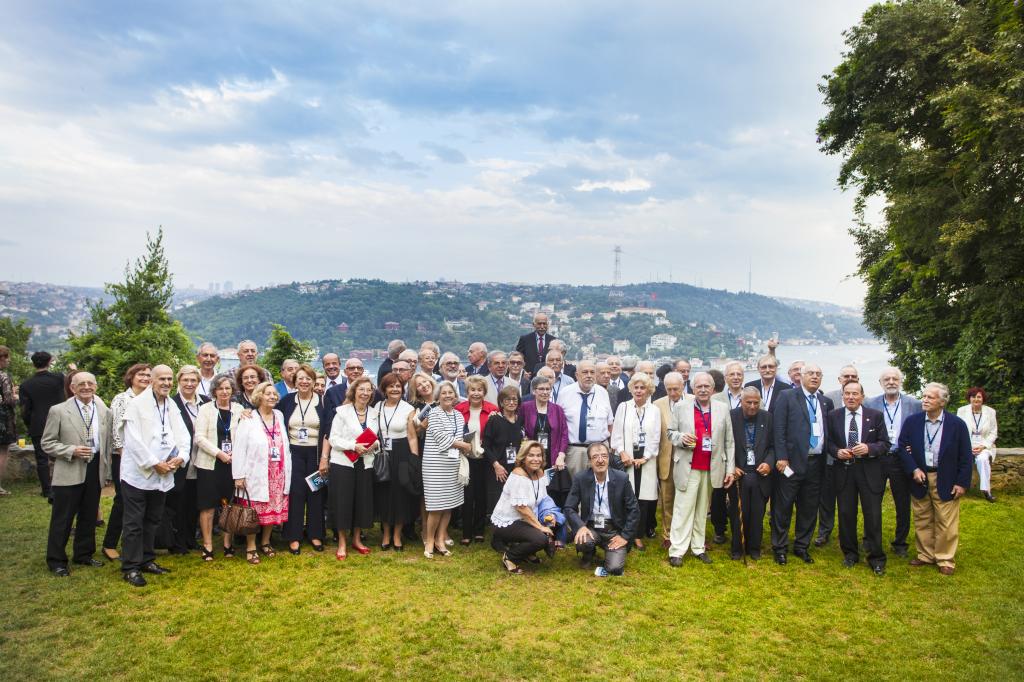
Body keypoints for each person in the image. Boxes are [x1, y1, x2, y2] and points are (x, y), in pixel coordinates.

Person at [119, 365, 190, 587]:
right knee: (134, 522)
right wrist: (153, 463)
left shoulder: (170, 405)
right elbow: (132, 440)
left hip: (164, 473)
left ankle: (147, 559)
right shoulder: (136, 405)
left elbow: (183, 434)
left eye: (170, 379)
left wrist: (182, 457)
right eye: (162, 379)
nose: (167, 383)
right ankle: (130, 566)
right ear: (152, 381)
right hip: (138, 475)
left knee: (153, 520)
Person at [42, 371, 112, 576]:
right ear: (72, 387)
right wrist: (70, 451)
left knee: (89, 515)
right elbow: (47, 443)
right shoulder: (59, 410)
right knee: (62, 518)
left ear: (96, 386)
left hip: (95, 467)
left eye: (90, 383)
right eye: (81, 384)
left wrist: (106, 469)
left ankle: (83, 554)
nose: (86, 387)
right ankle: (56, 560)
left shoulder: (102, 409)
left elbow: (106, 442)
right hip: (70, 468)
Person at [898, 382, 973, 575]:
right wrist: (913, 468)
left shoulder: (957, 425)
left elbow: (966, 456)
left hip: (946, 478)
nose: (924, 400)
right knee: (922, 517)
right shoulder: (912, 421)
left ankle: (945, 559)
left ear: (942, 402)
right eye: (924, 396)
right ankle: (925, 555)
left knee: (945, 520)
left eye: (930, 397)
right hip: (920, 477)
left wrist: (961, 482)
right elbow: (902, 446)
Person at [666, 372, 735, 566]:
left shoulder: (722, 408)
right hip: (689, 465)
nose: (703, 390)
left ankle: (698, 547)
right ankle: (677, 550)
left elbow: (729, 441)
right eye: (699, 386)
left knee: (702, 509)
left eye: (707, 386)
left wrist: (730, 469)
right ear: (693, 389)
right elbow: (670, 433)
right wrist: (681, 438)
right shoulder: (681, 407)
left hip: (712, 467)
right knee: (683, 509)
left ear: (713, 389)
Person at [771, 362, 833, 565]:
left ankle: (801, 546)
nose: (815, 377)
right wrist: (781, 457)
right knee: (784, 505)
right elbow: (778, 429)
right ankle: (780, 547)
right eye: (811, 373)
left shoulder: (824, 401)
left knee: (809, 506)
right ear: (801, 376)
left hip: (816, 463)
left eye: (818, 374)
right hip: (790, 463)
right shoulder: (788, 396)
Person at [825, 379, 890, 575]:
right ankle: (850, 554)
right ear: (842, 396)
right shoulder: (833, 416)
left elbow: (885, 444)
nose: (851, 397)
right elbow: (827, 443)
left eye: (855, 394)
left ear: (862, 396)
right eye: (847, 394)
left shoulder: (875, 416)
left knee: (873, 515)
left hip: (868, 472)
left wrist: (869, 448)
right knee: (845, 514)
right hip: (844, 471)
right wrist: (837, 452)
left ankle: (876, 557)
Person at [864, 367, 922, 556]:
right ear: (880, 383)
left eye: (894, 379)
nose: (891, 382)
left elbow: (920, 429)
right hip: (876, 458)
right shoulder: (870, 403)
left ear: (901, 382)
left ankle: (900, 542)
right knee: (872, 500)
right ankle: (870, 538)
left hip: (900, 458)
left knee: (902, 502)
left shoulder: (914, 404)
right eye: (886, 379)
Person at [233, 382, 291, 565]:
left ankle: (265, 542)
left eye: (275, 394)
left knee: (273, 509)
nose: (273, 397)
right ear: (259, 396)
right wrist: (239, 475)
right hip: (256, 473)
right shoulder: (249, 418)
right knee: (254, 512)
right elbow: (240, 448)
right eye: (268, 394)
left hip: (278, 473)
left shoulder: (279, 415)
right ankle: (251, 546)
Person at [563, 442, 640, 577]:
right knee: (584, 541)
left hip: (614, 530)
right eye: (595, 457)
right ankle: (588, 553)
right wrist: (580, 526)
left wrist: (624, 536)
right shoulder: (581, 478)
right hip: (591, 528)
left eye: (604, 456)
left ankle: (611, 554)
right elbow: (569, 507)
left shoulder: (622, 478)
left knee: (615, 569)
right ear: (589, 461)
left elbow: (634, 510)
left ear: (609, 458)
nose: (600, 460)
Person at [323, 376, 379, 560]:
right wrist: (352, 446)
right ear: (354, 392)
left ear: (372, 393)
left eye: (368, 390)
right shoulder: (342, 412)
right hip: (343, 463)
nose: (365, 393)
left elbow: (377, 437)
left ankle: (356, 539)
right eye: (361, 389)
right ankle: (342, 542)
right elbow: (333, 439)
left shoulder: (373, 413)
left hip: (365, 463)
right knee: (343, 503)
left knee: (361, 502)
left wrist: (374, 445)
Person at [103, 363, 152, 562]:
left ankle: (134, 544)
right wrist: (127, 458)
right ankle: (109, 543)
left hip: (147, 459)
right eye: (141, 374)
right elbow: (117, 432)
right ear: (131, 377)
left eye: (149, 375)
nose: (146, 378)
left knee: (142, 503)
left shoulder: (151, 399)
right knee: (123, 500)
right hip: (125, 458)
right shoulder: (122, 399)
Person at [193, 373, 243, 560]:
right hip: (210, 464)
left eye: (227, 388)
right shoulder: (205, 409)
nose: (224, 392)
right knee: (208, 506)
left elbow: (245, 434)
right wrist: (219, 454)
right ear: (214, 391)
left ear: (232, 391)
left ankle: (227, 543)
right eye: (220, 388)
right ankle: (207, 545)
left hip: (233, 464)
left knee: (229, 505)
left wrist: (234, 454)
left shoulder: (238, 409)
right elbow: (199, 437)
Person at [420, 381, 471, 557]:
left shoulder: (459, 415)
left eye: (451, 392)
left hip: (453, 465)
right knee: (435, 506)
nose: (448, 396)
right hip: (435, 466)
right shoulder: (433, 414)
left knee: (449, 506)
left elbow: (459, 436)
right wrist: (464, 445)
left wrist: (467, 443)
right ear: (438, 396)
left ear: (455, 396)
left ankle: (441, 540)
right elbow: (443, 440)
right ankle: (429, 541)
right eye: (444, 393)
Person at [610, 372, 660, 551]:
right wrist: (622, 452)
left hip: (646, 459)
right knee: (626, 497)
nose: (639, 391)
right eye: (636, 387)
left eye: (643, 388)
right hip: (627, 458)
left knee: (643, 499)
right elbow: (616, 434)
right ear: (631, 389)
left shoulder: (654, 410)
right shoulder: (623, 407)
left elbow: (655, 437)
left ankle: (638, 535)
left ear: (649, 390)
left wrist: (645, 457)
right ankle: (624, 533)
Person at [278, 364, 325, 554]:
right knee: (296, 494)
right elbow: (270, 415)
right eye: (300, 379)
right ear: (294, 381)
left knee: (316, 493)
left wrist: (325, 458)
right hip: (294, 453)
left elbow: (328, 429)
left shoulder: (323, 401)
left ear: (314, 382)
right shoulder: (287, 401)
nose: (304, 382)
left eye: (308, 379)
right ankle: (294, 536)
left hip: (316, 453)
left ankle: (315, 534)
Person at [490, 440, 553, 574]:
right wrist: (540, 526)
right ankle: (510, 557)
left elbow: (543, 499)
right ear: (523, 458)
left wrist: (550, 516)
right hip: (507, 522)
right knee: (540, 538)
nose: (536, 459)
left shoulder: (540, 473)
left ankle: (527, 553)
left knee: (554, 524)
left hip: (524, 519)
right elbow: (521, 508)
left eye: (539, 455)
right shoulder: (518, 475)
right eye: (531, 455)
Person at [163, 365, 207, 554]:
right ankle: (176, 541)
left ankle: (190, 538)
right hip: (180, 460)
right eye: (185, 380)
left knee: (195, 502)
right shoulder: (171, 403)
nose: (189, 384)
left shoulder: (206, 402)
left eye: (193, 381)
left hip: (202, 459)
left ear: (198, 382)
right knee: (178, 502)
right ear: (179, 382)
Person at [816, 365, 861, 548]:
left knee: (849, 500)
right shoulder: (828, 399)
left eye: (853, 376)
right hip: (831, 458)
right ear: (839, 379)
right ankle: (824, 531)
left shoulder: (862, 398)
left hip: (855, 460)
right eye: (846, 376)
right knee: (826, 498)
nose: (849, 378)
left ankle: (849, 532)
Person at [728, 388, 774, 560]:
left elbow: (773, 446)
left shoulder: (767, 417)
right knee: (739, 512)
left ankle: (754, 548)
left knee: (757, 512)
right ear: (741, 400)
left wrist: (768, 463)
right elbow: (724, 444)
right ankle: (737, 548)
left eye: (756, 402)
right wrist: (731, 466)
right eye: (749, 402)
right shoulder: (731, 416)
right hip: (739, 472)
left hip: (760, 472)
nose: (753, 406)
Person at [374, 373, 419, 551]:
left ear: (402, 389)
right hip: (382, 454)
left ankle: (397, 535)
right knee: (383, 493)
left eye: (398, 386)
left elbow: (412, 436)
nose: (394, 389)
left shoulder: (408, 408)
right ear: (384, 389)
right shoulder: (377, 406)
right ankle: (386, 534)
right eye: (390, 386)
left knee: (400, 494)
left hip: (401, 453)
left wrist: (414, 459)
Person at [455, 375, 498, 544]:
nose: (476, 393)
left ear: (484, 392)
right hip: (465, 458)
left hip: (484, 458)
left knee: (482, 495)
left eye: (479, 390)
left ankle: (479, 531)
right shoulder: (459, 409)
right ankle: (466, 532)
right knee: (467, 495)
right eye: (472, 390)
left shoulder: (493, 409)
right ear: (467, 391)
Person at [19, 351, 66, 499]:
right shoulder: (59, 378)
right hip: (60, 421)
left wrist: (29, 423)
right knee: (61, 454)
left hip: (37, 423)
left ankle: (47, 489)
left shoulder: (26, 385)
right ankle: (62, 485)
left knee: (41, 458)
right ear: (50, 361)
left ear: (33, 364)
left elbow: (25, 409)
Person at [557, 360, 614, 477]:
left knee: (601, 487)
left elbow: (610, 423)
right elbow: (559, 425)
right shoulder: (565, 393)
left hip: (600, 450)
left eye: (592, 372)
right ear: (577, 375)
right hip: (575, 451)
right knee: (576, 488)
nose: (589, 376)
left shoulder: (603, 392)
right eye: (585, 372)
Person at [521, 374, 570, 509]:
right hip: (533, 457)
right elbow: (518, 427)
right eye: (541, 389)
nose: (545, 392)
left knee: (552, 493)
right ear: (534, 391)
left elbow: (564, 434)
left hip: (553, 457)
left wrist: (561, 455)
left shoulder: (557, 409)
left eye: (548, 389)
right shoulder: (525, 407)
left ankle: (553, 522)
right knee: (533, 492)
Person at [482, 385, 525, 525]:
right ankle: (498, 531)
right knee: (498, 499)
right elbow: (486, 446)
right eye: (507, 400)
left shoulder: (520, 420)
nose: (511, 402)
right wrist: (496, 465)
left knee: (514, 499)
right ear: (501, 403)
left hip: (516, 467)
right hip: (499, 468)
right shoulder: (494, 420)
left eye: (514, 399)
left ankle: (512, 527)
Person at [654, 372, 687, 550]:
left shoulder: (693, 400)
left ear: (683, 386)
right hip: (666, 459)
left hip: (687, 459)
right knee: (667, 499)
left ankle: (686, 533)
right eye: (669, 389)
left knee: (687, 499)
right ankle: (667, 534)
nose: (673, 393)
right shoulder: (657, 405)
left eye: (676, 389)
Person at [956, 387, 998, 502]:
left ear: (983, 398)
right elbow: (958, 431)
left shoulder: (991, 412)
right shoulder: (962, 411)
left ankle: (986, 490)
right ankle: (959, 486)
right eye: (973, 396)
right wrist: (967, 447)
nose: (976, 399)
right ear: (969, 398)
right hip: (966, 444)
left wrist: (983, 446)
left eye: (979, 397)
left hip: (984, 445)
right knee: (960, 459)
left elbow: (993, 432)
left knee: (983, 459)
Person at [516, 312, 555, 378]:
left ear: (548, 324)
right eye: (539, 324)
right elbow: (517, 357)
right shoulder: (525, 339)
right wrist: (523, 371)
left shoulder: (553, 340)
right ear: (534, 324)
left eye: (544, 324)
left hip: (547, 377)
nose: (542, 326)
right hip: (528, 377)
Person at [0, 347, 17, 495]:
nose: (9, 360)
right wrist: (15, 396)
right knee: (2, 451)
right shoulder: (3, 376)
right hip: (2, 418)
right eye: (7, 357)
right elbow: (8, 400)